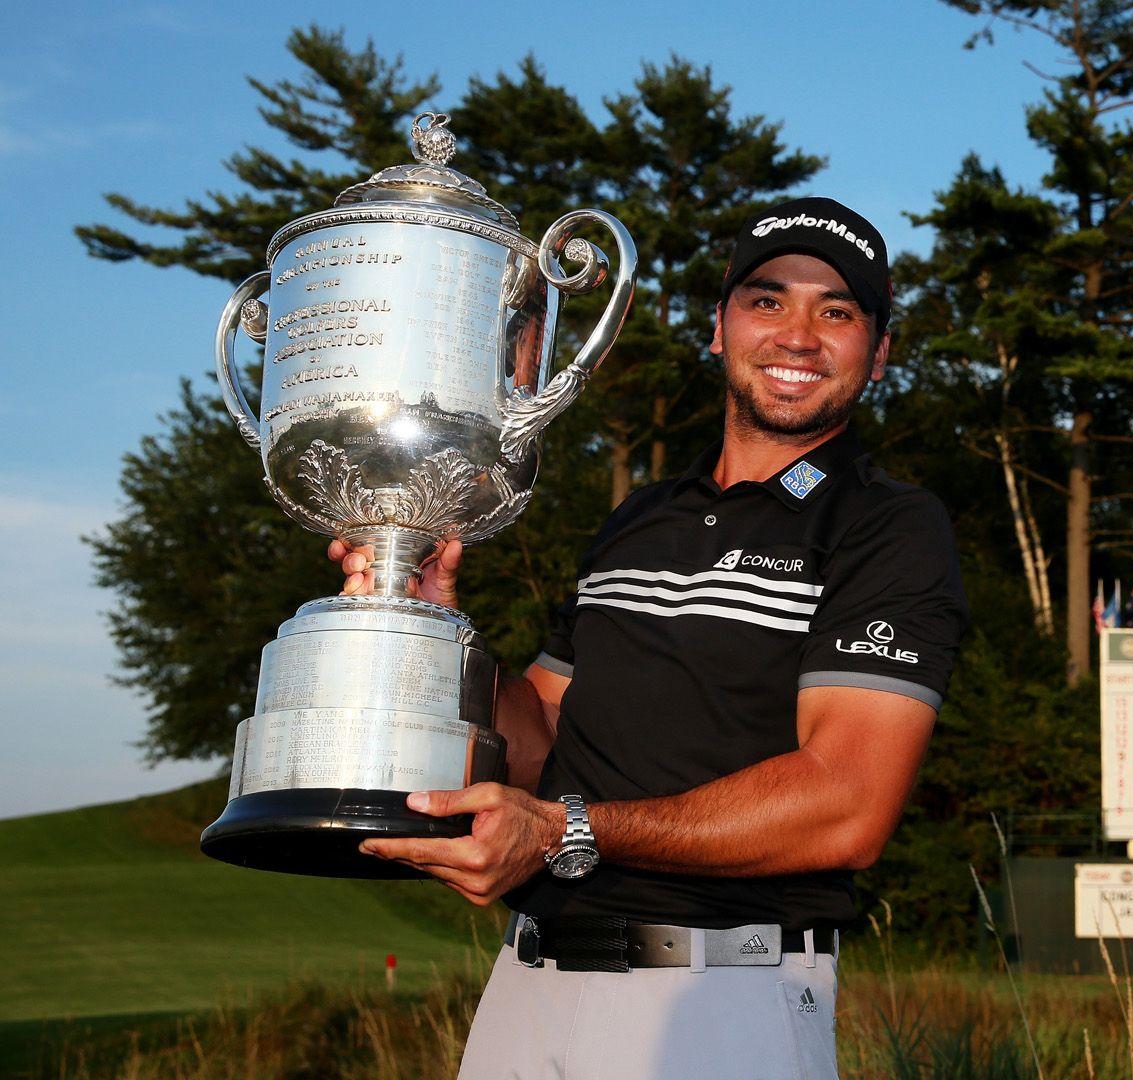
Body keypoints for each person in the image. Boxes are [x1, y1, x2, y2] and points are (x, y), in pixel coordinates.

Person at [329, 197, 968, 1079]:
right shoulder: (640, 520)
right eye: (767, 300)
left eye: (839, 312)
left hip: (721, 998)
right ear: (719, 328)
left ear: (880, 351)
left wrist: (561, 832)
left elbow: (846, 804)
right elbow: (539, 735)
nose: (798, 335)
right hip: (528, 982)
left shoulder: (889, 526)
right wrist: (434, 623)